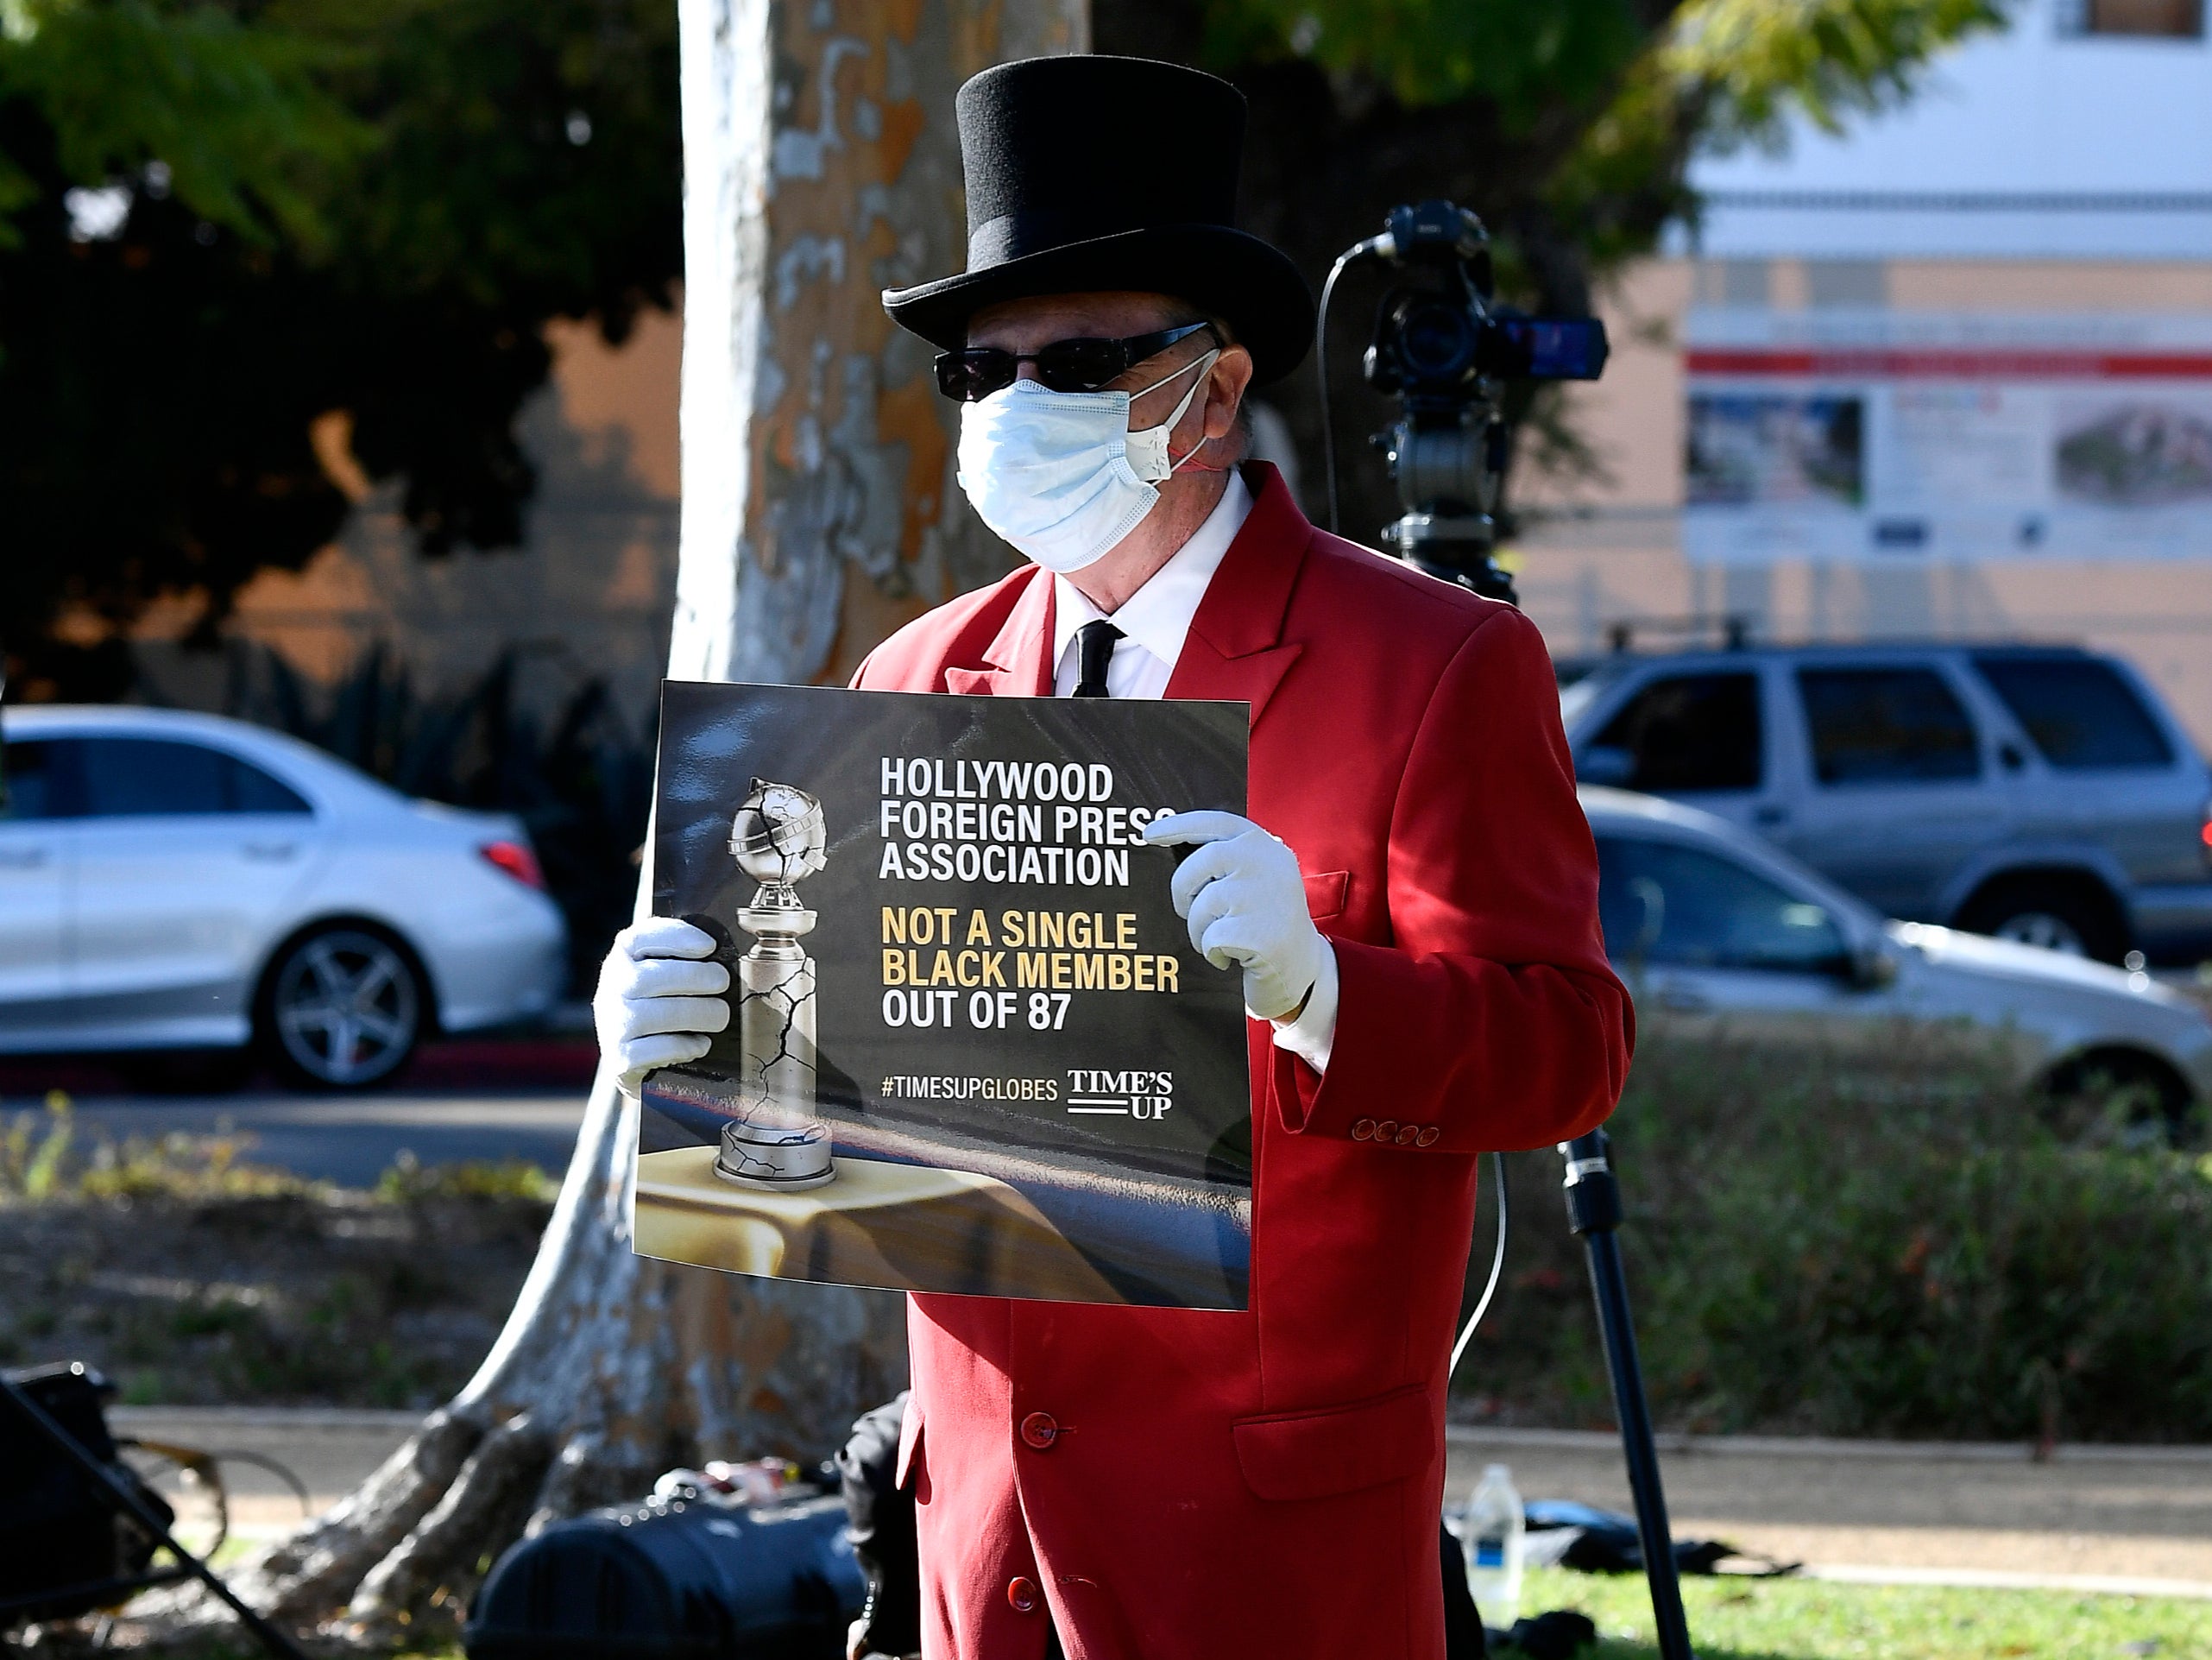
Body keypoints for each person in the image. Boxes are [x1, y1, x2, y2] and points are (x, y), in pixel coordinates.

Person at [596, 54, 1632, 1660]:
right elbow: (871, 1089)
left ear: (1211, 386)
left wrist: (1322, 992)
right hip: (982, 1525)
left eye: (1075, 362)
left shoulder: (1432, 663)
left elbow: (1571, 1053)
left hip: (1272, 1550)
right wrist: (689, 1044)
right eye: (980, 371)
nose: (1015, 409)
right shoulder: (909, 677)